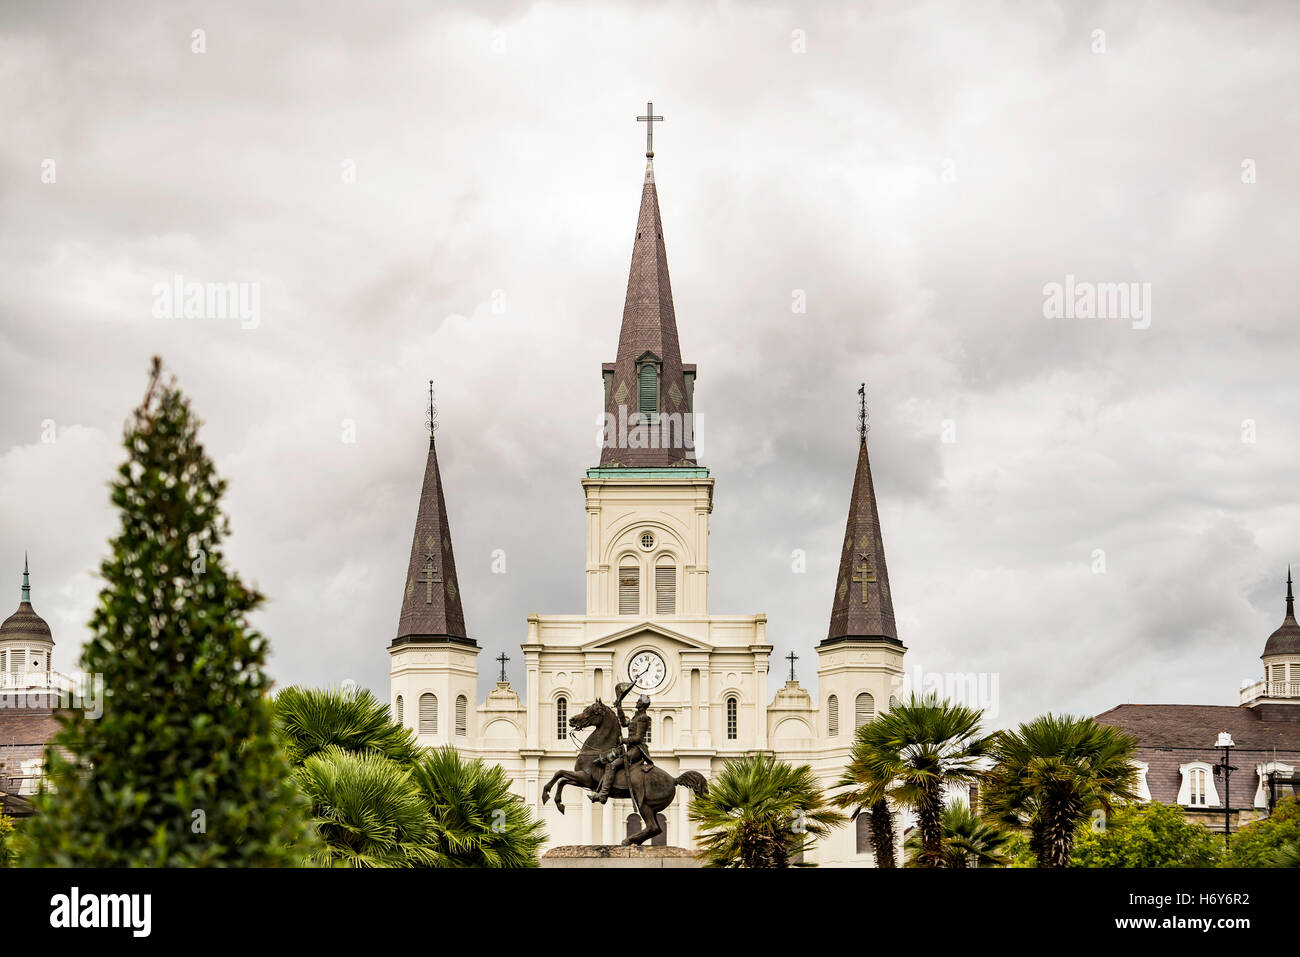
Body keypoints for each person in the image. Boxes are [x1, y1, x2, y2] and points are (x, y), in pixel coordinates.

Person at [589, 683, 652, 803]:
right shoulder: (636, 717)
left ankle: (603, 795)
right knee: (607, 757)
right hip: (629, 748)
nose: (636, 702)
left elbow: (638, 738)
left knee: (612, 765)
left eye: (639, 701)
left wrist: (623, 740)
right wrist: (619, 707)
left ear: (642, 705)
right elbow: (623, 723)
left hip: (637, 750)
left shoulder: (643, 718)